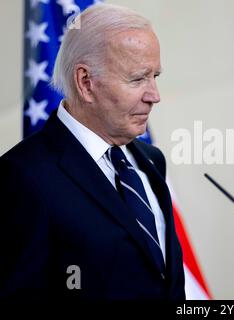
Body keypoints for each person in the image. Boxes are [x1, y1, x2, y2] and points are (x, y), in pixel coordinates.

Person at [0, 4, 185, 300]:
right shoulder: (22, 177)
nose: (154, 96)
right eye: (137, 79)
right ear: (86, 83)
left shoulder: (151, 160)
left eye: (155, 77)